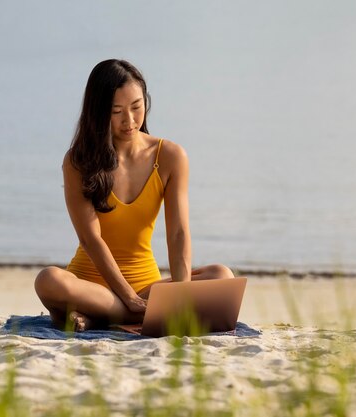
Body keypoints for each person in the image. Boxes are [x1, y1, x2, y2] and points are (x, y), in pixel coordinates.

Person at [34, 59, 234, 331]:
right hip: (90, 286)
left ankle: (97, 318)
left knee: (221, 275)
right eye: (117, 111)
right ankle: (129, 314)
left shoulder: (170, 157)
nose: (129, 121)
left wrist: (181, 295)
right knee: (48, 280)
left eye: (136, 107)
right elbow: (90, 239)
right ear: (99, 112)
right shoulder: (78, 162)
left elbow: (178, 234)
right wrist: (128, 299)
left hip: (145, 287)